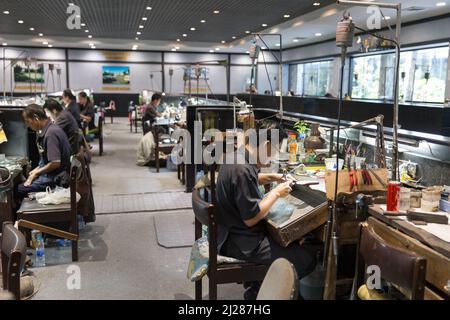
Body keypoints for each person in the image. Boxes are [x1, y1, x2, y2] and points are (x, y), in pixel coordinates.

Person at [216, 121, 316, 300]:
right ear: (266, 145)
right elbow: (251, 218)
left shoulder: (237, 157)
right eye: (274, 151)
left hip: (229, 234)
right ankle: (269, 293)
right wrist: (276, 192)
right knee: (307, 257)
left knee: (290, 243)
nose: (272, 157)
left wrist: (273, 176)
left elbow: (249, 180)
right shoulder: (242, 169)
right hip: (241, 243)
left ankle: (257, 287)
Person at [17, 104, 71, 201]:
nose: (28, 126)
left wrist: (36, 172)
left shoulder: (51, 134)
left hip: (56, 177)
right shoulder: (49, 129)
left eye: (28, 122)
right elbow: (46, 160)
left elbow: (55, 163)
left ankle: (23, 215)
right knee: (27, 178)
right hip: (54, 174)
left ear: (36, 118)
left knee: (18, 190)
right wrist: (36, 170)